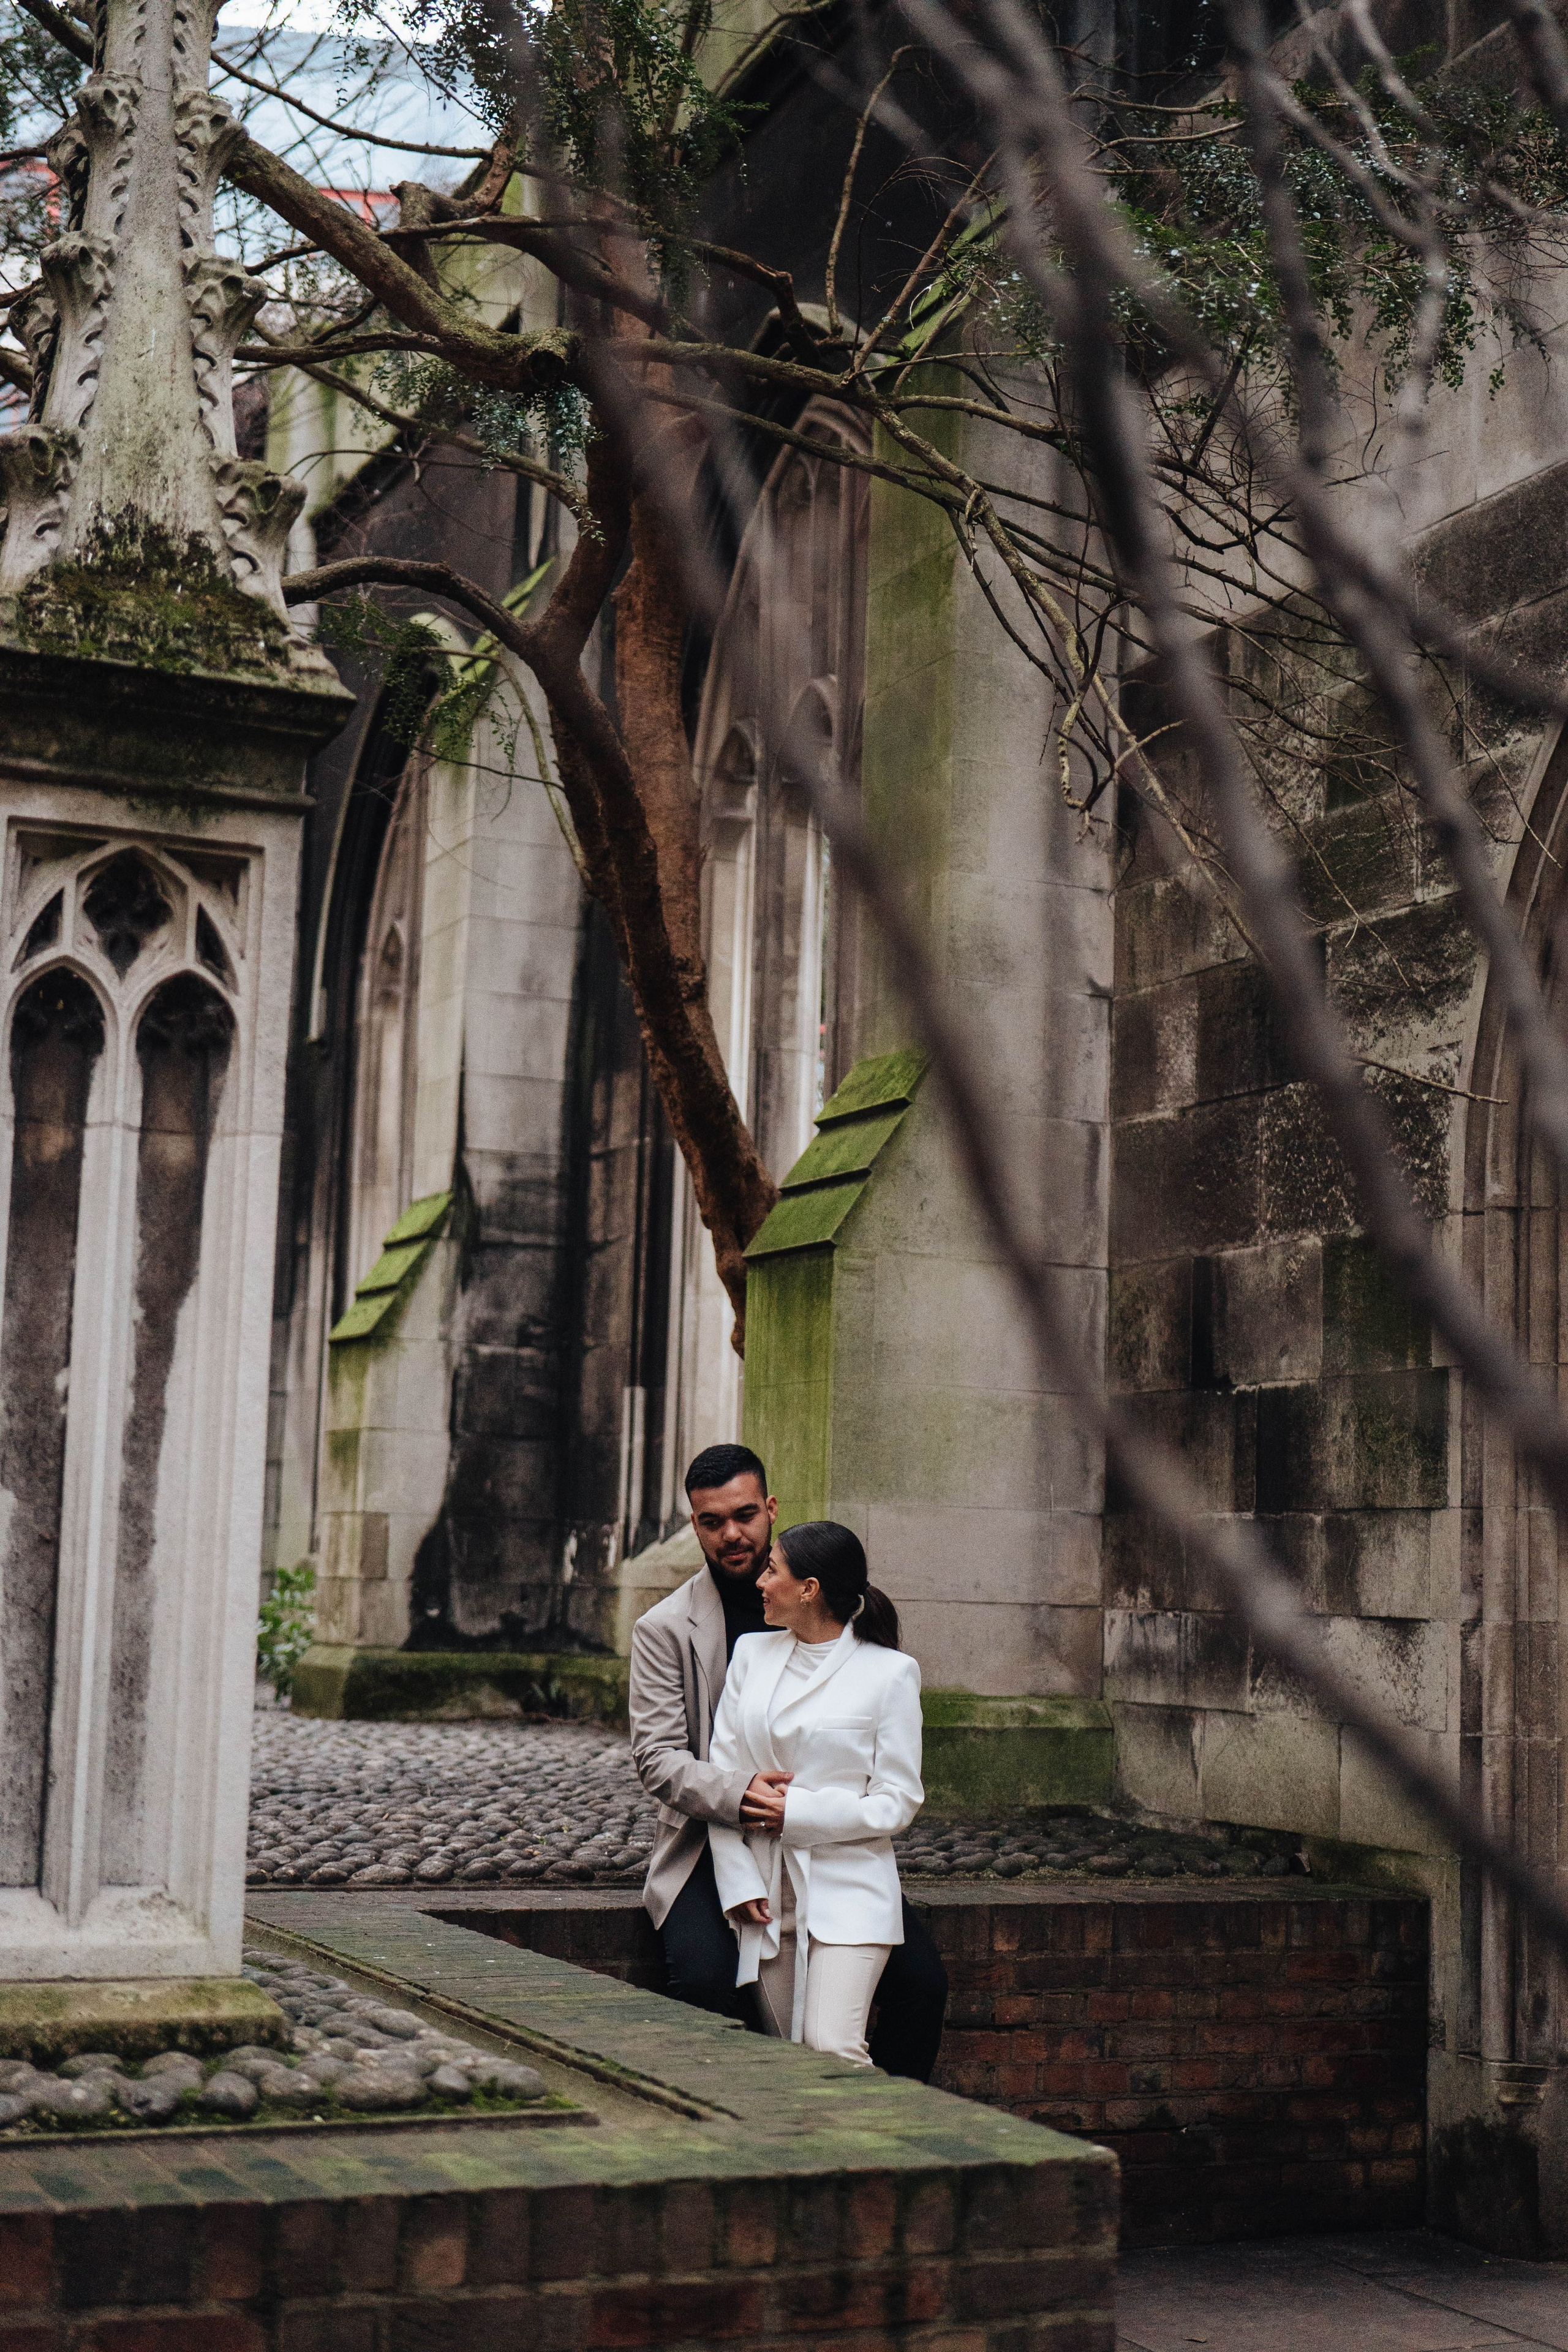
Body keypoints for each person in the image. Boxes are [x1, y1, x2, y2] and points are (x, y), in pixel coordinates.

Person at [628, 1444, 947, 2078]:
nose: (731, 1533)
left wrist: (798, 1811)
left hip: (825, 1842)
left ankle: (895, 2125)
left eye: (744, 1515)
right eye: (711, 1522)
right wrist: (741, 1796)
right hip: (707, 1837)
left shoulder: (837, 1615)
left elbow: (887, 1782)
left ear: (771, 1509)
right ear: (693, 1524)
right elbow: (658, 1759)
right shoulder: (665, 1628)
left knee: (922, 1983)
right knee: (706, 1985)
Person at [708, 1521, 921, 2065]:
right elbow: (724, 1777)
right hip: (762, 1892)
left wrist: (797, 1813)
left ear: (810, 1588)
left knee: (833, 2047)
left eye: (773, 1569)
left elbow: (898, 1799)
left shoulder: (890, 1673)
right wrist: (736, 1882)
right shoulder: (751, 1654)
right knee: (788, 2060)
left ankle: (884, 2151)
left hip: (850, 1889)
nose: (760, 1579)